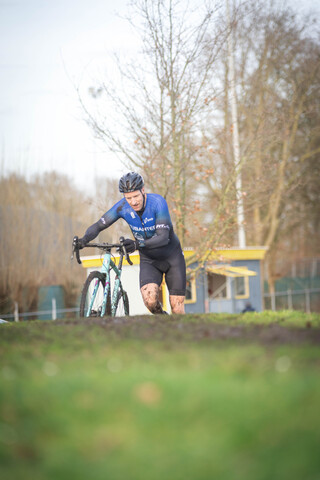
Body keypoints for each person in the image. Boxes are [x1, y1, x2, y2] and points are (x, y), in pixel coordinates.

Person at [76, 172, 186, 314]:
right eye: (128, 198)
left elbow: (163, 238)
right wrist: (84, 240)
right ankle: (164, 322)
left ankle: (183, 333)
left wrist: (136, 245)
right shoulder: (122, 207)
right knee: (150, 302)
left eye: (136, 196)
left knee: (176, 307)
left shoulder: (157, 203)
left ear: (143, 191)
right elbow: (99, 225)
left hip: (172, 257)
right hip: (149, 260)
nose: (133, 202)